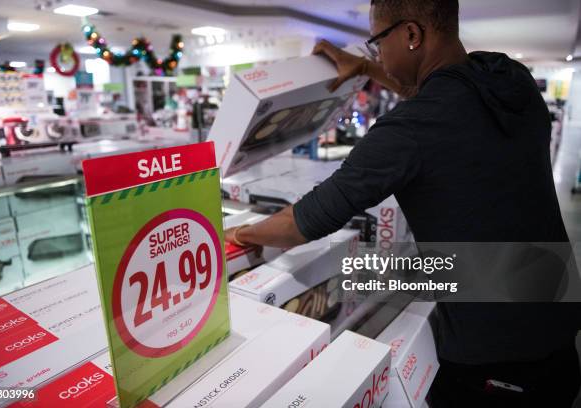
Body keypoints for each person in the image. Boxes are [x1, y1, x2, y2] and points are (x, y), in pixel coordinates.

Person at [224, 0, 581, 406]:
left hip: (493, 364)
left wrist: (237, 232)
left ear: (411, 34)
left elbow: (304, 222)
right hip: (556, 327)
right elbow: (436, 93)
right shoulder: (507, 78)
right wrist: (363, 67)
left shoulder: (410, 129)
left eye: (378, 43)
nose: (380, 57)